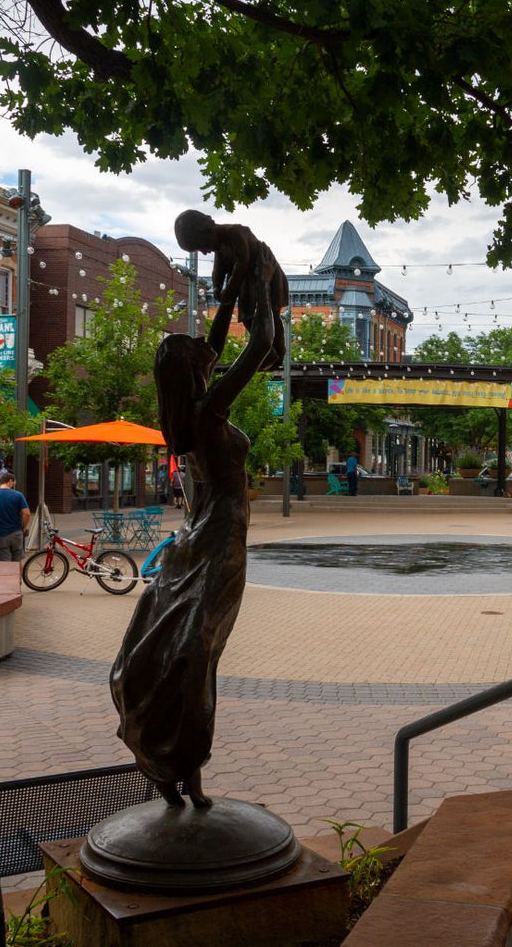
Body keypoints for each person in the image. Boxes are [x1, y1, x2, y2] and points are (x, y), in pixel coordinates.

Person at [111, 218, 282, 810]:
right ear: (195, 376)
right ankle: (183, 764)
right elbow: (259, 346)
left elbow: (213, 343)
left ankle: (177, 769)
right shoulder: (210, 412)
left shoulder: (185, 422)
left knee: (188, 652)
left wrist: (229, 295)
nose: (210, 359)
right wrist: (258, 288)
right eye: (202, 360)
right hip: (217, 542)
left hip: (196, 538)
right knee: (195, 655)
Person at [173, 209, 289, 369]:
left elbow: (243, 261)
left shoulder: (235, 233)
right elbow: (218, 270)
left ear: (208, 228)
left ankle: (278, 352)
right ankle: (268, 353)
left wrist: (229, 290)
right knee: (248, 317)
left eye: (203, 245)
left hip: (267, 277)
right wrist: (216, 287)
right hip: (248, 283)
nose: (205, 251)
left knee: (272, 315)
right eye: (201, 250)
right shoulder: (220, 246)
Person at [0, 472, 30, 562]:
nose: (14, 485)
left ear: (0, 483)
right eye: (14, 483)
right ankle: (17, 576)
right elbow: (26, 513)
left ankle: (8, 576)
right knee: (17, 562)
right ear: (10, 481)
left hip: (0, 535)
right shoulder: (18, 495)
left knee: (4, 565)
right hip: (16, 534)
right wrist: (23, 528)